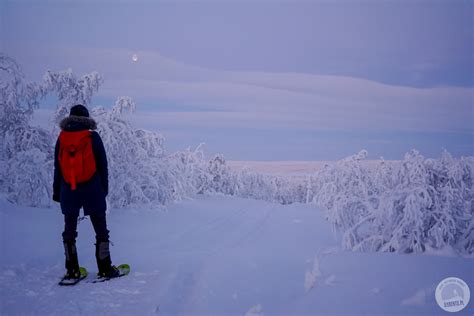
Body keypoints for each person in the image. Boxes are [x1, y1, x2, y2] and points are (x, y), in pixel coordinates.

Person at [53, 104, 120, 280]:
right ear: (87, 119)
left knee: (69, 230)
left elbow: (58, 167)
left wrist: (57, 192)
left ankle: (72, 269)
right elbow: (102, 165)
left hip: (69, 189)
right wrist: (103, 190)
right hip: (92, 189)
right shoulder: (93, 137)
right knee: (100, 229)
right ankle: (105, 268)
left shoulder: (62, 138)